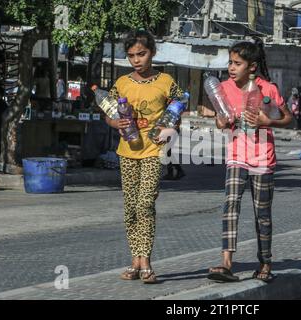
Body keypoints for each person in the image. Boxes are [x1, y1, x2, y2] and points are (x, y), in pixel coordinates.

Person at [207, 37, 292, 283]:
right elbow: (220, 118)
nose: (231, 68)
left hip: (263, 158)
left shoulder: (268, 89)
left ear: (252, 66)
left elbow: (288, 118)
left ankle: (265, 262)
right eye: (230, 63)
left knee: (262, 213)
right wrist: (221, 121)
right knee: (230, 206)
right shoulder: (223, 88)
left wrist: (268, 122)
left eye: (237, 63)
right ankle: (226, 263)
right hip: (236, 156)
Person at [104, 29, 184, 283]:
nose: (137, 60)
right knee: (130, 209)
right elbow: (109, 111)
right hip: (127, 152)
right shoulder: (121, 84)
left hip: (154, 152)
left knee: (145, 204)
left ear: (152, 52)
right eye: (131, 56)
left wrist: (171, 127)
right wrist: (113, 123)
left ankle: (146, 260)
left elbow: (179, 106)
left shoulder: (166, 81)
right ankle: (135, 260)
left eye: (142, 54)